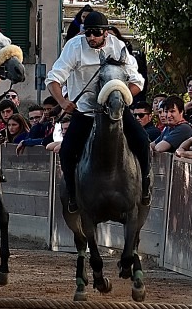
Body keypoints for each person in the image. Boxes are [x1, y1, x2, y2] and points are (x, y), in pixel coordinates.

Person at [45, 11, 151, 213]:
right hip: (85, 111)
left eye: (96, 33)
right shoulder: (74, 47)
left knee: (142, 140)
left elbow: (137, 80)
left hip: (115, 111)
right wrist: (62, 101)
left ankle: (145, 185)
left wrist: (121, 97)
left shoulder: (118, 46)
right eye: (88, 34)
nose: (91, 38)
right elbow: (53, 79)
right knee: (67, 152)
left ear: (106, 34)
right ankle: (73, 195)